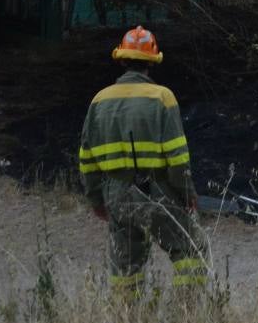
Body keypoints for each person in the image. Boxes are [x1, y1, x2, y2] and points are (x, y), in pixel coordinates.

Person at [77, 26, 207, 298]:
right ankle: (188, 319)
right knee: (192, 251)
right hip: (157, 193)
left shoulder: (98, 101)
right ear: (152, 62)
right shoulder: (162, 97)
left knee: (125, 269)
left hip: (117, 198)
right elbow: (178, 158)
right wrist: (187, 194)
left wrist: (97, 201)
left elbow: (87, 160)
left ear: (122, 60)